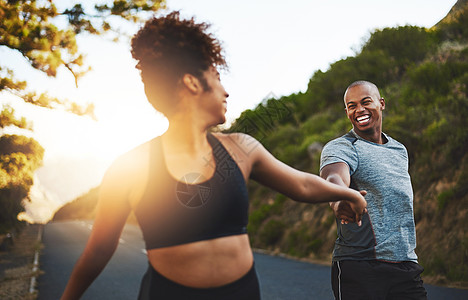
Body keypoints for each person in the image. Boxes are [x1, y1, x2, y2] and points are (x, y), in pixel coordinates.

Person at [60, 12, 367, 300]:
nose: (226, 91)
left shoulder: (241, 147)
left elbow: (302, 184)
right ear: (192, 82)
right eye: (217, 77)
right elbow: (98, 251)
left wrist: (346, 194)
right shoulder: (130, 168)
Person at [320, 80, 428, 300]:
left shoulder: (399, 150)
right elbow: (333, 177)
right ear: (347, 112)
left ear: (381, 103)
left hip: (405, 266)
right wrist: (342, 197)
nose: (359, 109)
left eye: (365, 102)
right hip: (359, 267)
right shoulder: (342, 147)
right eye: (351, 106)